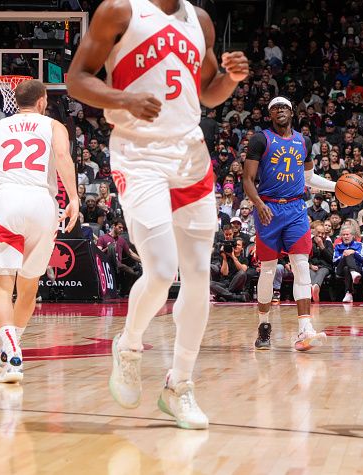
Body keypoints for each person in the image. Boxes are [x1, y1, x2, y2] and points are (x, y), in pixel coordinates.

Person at [67, 0, 249, 429]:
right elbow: (77, 79)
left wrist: (231, 79)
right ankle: (129, 346)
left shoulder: (199, 20)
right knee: (162, 269)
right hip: (138, 153)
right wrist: (122, 98)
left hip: (189, 155)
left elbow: (207, 93)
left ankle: (179, 385)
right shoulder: (119, 10)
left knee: (199, 277)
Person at [0, 79, 79, 383]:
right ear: (42, 100)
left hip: (6, 204)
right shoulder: (53, 126)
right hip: (42, 206)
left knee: (1, 287)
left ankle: (12, 354)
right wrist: (73, 197)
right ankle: (10, 352)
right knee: (29, 287)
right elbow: (62, 157)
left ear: (15, 101)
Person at [243, 96, 337, 351]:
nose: (279, 111)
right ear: (270, 114)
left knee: (301, 264)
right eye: (274, 108)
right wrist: (259, 205)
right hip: (269, 209)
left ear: (292, 112)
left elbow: (308, 179)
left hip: (295, 208)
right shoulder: (260, 139)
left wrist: (336, 187)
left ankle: (304, 328)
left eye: (284, 107)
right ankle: (264, 324)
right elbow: (248, 180)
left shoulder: (303, 141)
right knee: (268, 270)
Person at [333, 225, 363, 303]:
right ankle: (353, 272)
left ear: (353, 236)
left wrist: (354, 252)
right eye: (343, 235)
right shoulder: (338, 246)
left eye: (347, 234)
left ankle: (348, 293)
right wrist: (343, 256)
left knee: (347, 268)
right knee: (348, 253)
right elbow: (334, 261)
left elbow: (362, 258)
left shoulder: (359, 245)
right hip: (339, 268)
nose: (345, 236)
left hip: (356, 268)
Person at [309, 222, 334, 302]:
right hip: (312, 266)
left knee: (322, 272)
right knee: (311, 272)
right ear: (314, 233)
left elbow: (331, 259)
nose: (320, 235)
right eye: (318, 233)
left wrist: (322, 246)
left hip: (324, 266)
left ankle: (315, 287)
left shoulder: (328, 243)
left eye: (323, 233)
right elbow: (306, 257)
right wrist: (310, 265)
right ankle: (314, 291)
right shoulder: (309, 242)